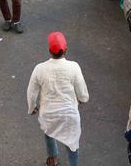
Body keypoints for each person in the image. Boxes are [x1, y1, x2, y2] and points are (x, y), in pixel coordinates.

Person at [27, 31, 89, 166]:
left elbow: (32, 92)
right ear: (65, 50)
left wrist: (32, 108)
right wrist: (81, 99)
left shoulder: (40, 69)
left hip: (48, 114)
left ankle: (52, 159)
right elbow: (83, 95)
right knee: (72, 145)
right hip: (69, 115)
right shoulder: (74, 67)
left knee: (49, 132)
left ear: (50, 50)